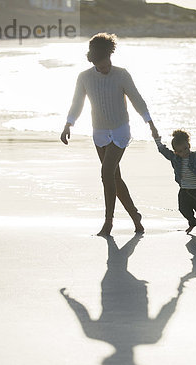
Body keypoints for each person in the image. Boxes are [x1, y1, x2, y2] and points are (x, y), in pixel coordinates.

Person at [60, 32, 158, 236]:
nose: (104, 69)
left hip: (120, 130)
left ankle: (108, 222)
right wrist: (68, 124)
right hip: (99, 132)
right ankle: (135, 216)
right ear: (93, 61)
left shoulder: (121, 74)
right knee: (114, 177)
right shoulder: (85, 77)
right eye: (100, 66)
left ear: (110, 56)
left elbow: (136, 99)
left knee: (106, 173)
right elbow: (77, 103)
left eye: (106, 64)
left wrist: (150, 122)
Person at [153, 129, 196, 234]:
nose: (184, 152)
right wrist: (157, 140)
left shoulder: (195, 156)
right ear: (175, 152)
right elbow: (163, 150)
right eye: (180, 151)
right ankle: (192, 222)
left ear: (189, 145)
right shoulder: (175, 158)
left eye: (185, 148)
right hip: (184, 190)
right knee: (183, 209)